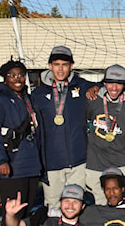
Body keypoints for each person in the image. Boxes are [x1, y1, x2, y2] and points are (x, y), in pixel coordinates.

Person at [0, 59, 41, 226]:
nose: (17, 79)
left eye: (21, 75)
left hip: (30, 165)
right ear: (5, 78)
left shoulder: (26, 98)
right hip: (12, 165)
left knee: (25, 214)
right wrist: (0, 159)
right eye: (12, 75)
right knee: (12, 215)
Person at [31, 45, 95, 215]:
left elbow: (108, 85)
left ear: (71, 66)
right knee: (53, 208)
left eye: (65, 64)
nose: (60, 69)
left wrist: (97, 87)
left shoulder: (83, 87)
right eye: (56, 64)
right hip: (51, 162)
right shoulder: (37, 94)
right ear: (50, 66)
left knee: (75, 205)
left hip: (78, 160)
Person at [84, 64, 125, 204]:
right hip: (96, 163)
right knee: (99, 205)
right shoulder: (93, 100)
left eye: (119, 84)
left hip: (123, 162)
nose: (114, 88)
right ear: (104, 83)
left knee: (122, 204)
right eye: (110, 83)